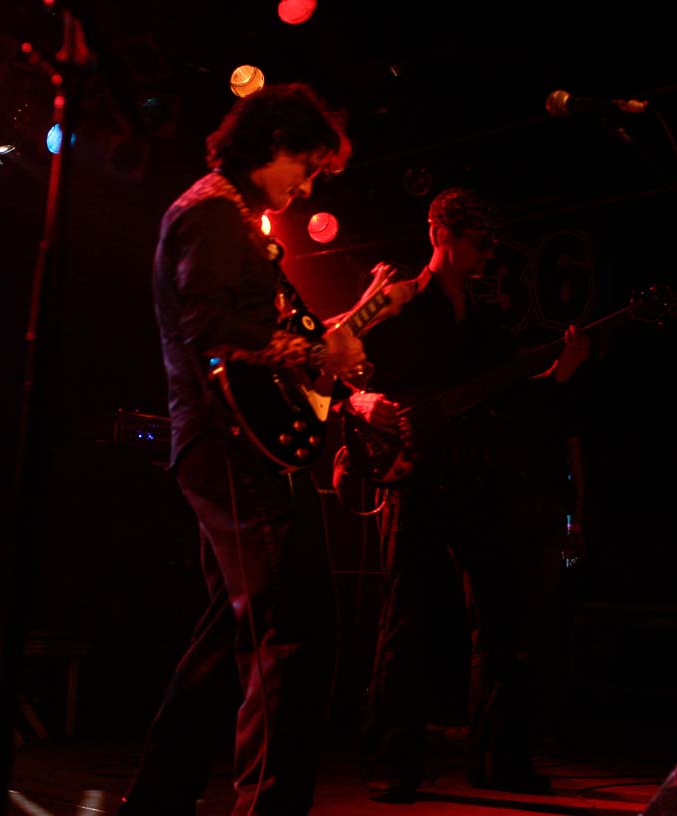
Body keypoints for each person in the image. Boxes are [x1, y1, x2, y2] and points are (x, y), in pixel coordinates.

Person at [118, 82, 364, 816]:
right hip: (232, 444)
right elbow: (215, 333)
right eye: (308, 167)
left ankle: (158, 797)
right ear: (276, 143)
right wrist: (313, 354)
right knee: (295, 632)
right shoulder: (211, 214)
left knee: (233, 627)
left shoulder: (226, 216)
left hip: (234, 441)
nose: (308, 186)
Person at [340, 187, 590, 800]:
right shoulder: (394, 301)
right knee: (407, 617)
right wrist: (364, 402)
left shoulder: (486, 322)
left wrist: (561, 371)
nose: (488, 255)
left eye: (492, 245)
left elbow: (513, 400)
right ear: (439, 235)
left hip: (477, 477)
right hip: (413, 474)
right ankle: (391, 762)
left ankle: (498, 759)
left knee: (502, 617)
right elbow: (334, 363)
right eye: (478, 243)